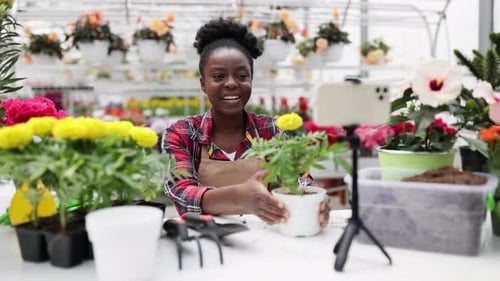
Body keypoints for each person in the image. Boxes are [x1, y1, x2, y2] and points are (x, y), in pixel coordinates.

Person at [162, 18, 330, 227]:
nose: (231, 83)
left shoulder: (271, 130)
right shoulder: (183, 133)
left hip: (265, 239)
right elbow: (180, 191)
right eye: (218, 76)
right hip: (205, 240)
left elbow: (297, 179)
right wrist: (238, 197)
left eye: (242, 76)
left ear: (251, 80)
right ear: (203, 84)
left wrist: (314, 197)